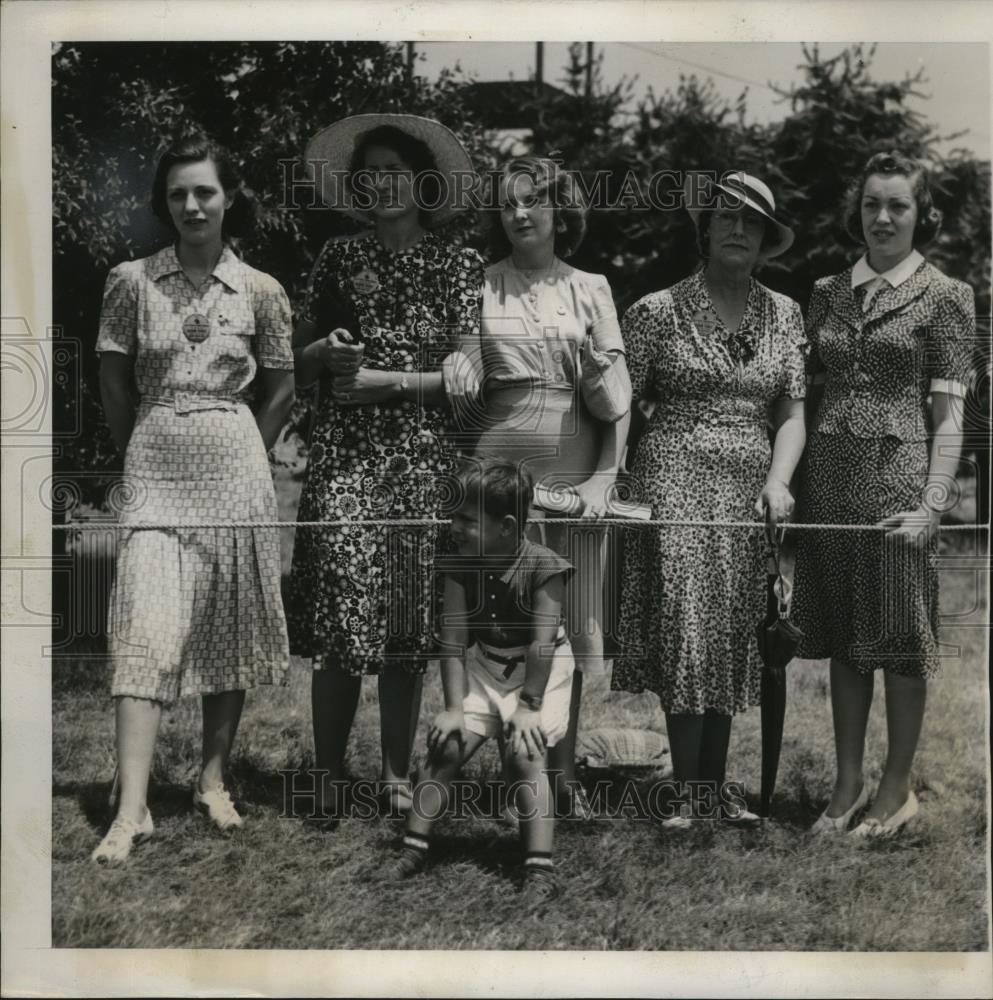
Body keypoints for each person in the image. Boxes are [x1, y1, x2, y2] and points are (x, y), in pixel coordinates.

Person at [91, 134, 296, 864]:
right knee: (144, 625)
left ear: (229, 196)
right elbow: (114, 383)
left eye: (204, 191)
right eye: (177, 193)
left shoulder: (262, 290)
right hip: (155, 464)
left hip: (236, 469)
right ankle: (132, 806)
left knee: (227, 624)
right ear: (164, 201)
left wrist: (249, 446)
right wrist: (141, 446)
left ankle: (212, 781)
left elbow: (282, 384)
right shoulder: (130, 281)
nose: (190, 205)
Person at [287, 114, 484, 824]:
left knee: (405, 626)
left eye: (394, 170)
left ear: (424, 182)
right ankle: (327, 773)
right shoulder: (338, 256)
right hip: (344, 457)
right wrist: (329, 355)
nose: (381, 182)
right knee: (340, 610)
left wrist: (389, 382)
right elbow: (296, 355)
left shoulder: (458, 263)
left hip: (422, 461)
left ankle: (397, 776)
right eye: (367, 172)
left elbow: (470, 377)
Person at [612, 171, 807, 828]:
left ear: (764, 240)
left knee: (729, 629)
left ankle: (714, 786)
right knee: (687, 625)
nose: (736, 230)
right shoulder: (654, 311)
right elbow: (618, 409)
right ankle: (686, 791)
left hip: (749, 491)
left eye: (750, 222)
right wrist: (607, 480)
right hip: (674, 478)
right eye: (725, 216)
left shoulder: (784, 313)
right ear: (704, 227)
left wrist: (779, 480)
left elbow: (790, 411)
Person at [793, 151, 974, 838]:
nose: (883, 217)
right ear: (857, 210)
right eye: (871, 204)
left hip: (899, 479)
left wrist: (933, 504)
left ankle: (895, 793)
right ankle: (844, 787)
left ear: (920, 213)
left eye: (897, 204)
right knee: (844, 637)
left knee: (899, 638)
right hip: (829, 480)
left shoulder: (946, 296)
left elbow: (948, 416)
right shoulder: (825, 290)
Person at [463, 155, 631, 818]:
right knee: (507, 627)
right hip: (502, 471)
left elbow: (617, 396)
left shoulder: (591, 287)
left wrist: (603, 479)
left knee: (569, 623)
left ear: (560, 209)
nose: (520, 214)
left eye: (532, 200)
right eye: (507, 204)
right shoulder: (482, 285)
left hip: (576, 472)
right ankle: (517, 779)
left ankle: (562, 777)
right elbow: (464, 374)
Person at [383, 460, 574, 903]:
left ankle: (539, 866)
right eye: (455, 517)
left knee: (527, 752)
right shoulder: (458, 566)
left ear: (506, 527)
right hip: (486, 666)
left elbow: (541, 647)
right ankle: (413, 846)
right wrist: (453, 709)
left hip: (539, 674)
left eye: (467, 519)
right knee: (446, 744)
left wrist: (528, 707)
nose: (455, 526)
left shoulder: (546, 567)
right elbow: (452, 643)